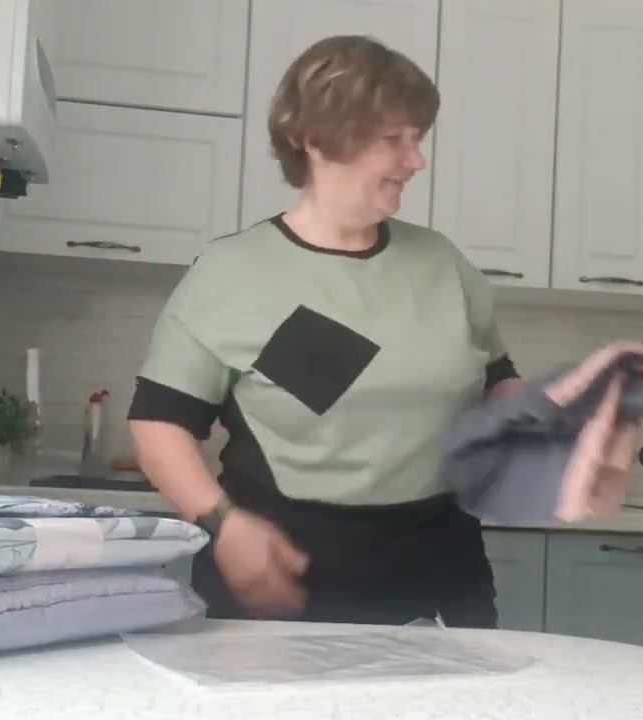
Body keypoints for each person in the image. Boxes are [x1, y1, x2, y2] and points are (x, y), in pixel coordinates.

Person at [127, 35, 525, 628]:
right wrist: (222, 523)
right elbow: (160, 423)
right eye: (394, 140)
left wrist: (550, 422)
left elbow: (499, 383)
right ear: (315, 139)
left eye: (417, 138)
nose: (416, 160)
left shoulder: (443, 265)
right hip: (283, 579)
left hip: (441, 574)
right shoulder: (233, 274)